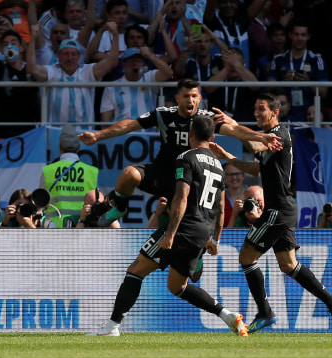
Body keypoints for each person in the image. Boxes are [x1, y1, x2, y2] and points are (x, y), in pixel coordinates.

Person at [88, 115, 248, 337]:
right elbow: (220, 209)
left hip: (182, 228)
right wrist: (215, 240)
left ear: (190, 134)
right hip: (202, 233)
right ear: (212, 137)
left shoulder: (186, 157)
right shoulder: (219, 167)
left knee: (136, 271)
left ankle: (112, 327)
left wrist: (170, 235)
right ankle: (226, 314)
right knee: (177, 287)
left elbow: (181, 199)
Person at [209, 93, 332, 334]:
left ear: (275, 111)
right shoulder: (269, 141)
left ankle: (265, 312)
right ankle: (331, 300)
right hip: (284, 208)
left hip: (277, 210)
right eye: (255, 109)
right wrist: (228, 156)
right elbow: (254, 167)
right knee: (288, 264)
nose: (257, 113)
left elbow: (250, 139)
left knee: (246, 257)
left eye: (261, 109)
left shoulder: (279, 135)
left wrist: (224, 126)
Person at [78, 78, 281, 227]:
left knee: (188, 222)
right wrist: (97, 136)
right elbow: (130, 125)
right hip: (162, 173)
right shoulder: (163, 115)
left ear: (200, 98)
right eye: (186, 96)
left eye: (194, 96)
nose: (190, 100)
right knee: (129, 174)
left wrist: (259, 137)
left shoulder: (206, 119)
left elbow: (234, 130)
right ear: (178, 98)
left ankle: (198, 250)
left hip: (189, 180)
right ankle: (120, 207)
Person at [26, 23, 120, 129]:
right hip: (56, 133)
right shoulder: (52, 71)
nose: (70, 58)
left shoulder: (87, 72)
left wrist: (115, 36)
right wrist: (33, 38)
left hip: (85, 133)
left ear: (79, 56)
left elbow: (112, 62)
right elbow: (31, 68)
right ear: (59, 56)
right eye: (66, 54)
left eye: (73, 54)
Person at [267, 20, 328, 122]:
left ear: (308, 36)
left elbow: (324, 92)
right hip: (284, 112)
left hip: (309, 113)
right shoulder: (278, 59)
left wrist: (308, 83)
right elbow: (268, 87)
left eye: (303, 35)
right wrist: (284, 82)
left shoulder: (316, 59)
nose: (299, 38)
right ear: (290, 35)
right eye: (296, 34)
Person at [40, 124, 99, 228]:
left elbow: (40, 202)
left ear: (60, 147)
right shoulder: (92, 172)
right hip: (83, 227)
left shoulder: (48, 171)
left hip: (54, 227)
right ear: (79, 147)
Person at [99, 46, 174, 124]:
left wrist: (150, 56)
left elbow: (169, 73)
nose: (135, 64)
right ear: (124, 65)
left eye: (138, 61)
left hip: (146, 133)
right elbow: (105, 120)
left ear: (143, 65)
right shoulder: (111, 87)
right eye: (131, 61)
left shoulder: (150, 78)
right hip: (121, 133)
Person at [223, 163, 247, 227]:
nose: (234, 177)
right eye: (230, 175)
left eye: (237, 174)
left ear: (243, 176)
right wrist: (234, 214)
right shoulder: (220, 198)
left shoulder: (251, 195)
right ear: (225, 177)